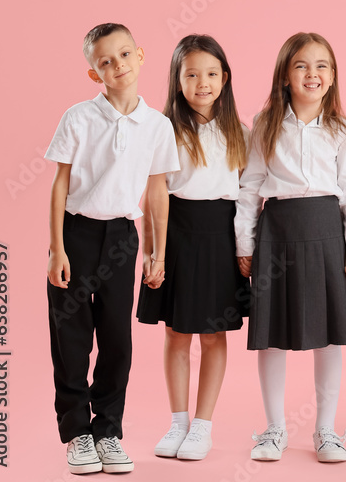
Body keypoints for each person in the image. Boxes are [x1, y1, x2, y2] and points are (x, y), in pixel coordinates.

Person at [45, 23, 179, 475]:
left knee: (117, 341)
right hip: (78, 234)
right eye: (105, 61)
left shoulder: (157, 125)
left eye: (124, 55)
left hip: (123, 237)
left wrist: (157, 252)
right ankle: (77, 434)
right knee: (72, 339)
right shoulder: (78, 118)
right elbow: (60, 185)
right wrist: (56, 249)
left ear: (140, 55)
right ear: (93, 72)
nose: (117, 65)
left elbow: (157, 190)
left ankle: (107, 431)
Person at [235, 32, 346, 463]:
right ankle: (273, 429)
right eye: (301, 66)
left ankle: (325, 431)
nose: (312, 74)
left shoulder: (341, 129)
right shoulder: (266, 122)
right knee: (272, 334)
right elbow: (249, 187)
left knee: (328, 335)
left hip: (328, 235)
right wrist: (246, 243)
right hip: (277, 234)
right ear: (285, 74)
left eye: (322, 66)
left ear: (332, 77)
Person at [136, 34, 249, 461]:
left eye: (212, 73)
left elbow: (247, 196)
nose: (203, 82)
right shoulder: (163, 129)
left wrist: (246, 248)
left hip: (222, 234)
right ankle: (178, 421)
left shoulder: (241, 132)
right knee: (177, 331)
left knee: (214, 334)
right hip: (176, 232)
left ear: (225, 78)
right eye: (192, 74)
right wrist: (155, 251)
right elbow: (155, 194)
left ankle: (203, 426)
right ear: (177, 79)